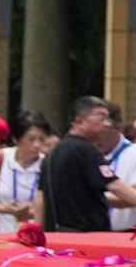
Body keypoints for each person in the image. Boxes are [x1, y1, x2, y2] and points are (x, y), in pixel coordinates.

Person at [41, 99, 125, 235]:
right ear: (79, 120)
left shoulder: (53, 153)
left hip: (56, 234)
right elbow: (114, 185)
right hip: (85, 236)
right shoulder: (85, 149)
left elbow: (40, 197)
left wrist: (39, 233)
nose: (107, 124)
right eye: (101, 118)